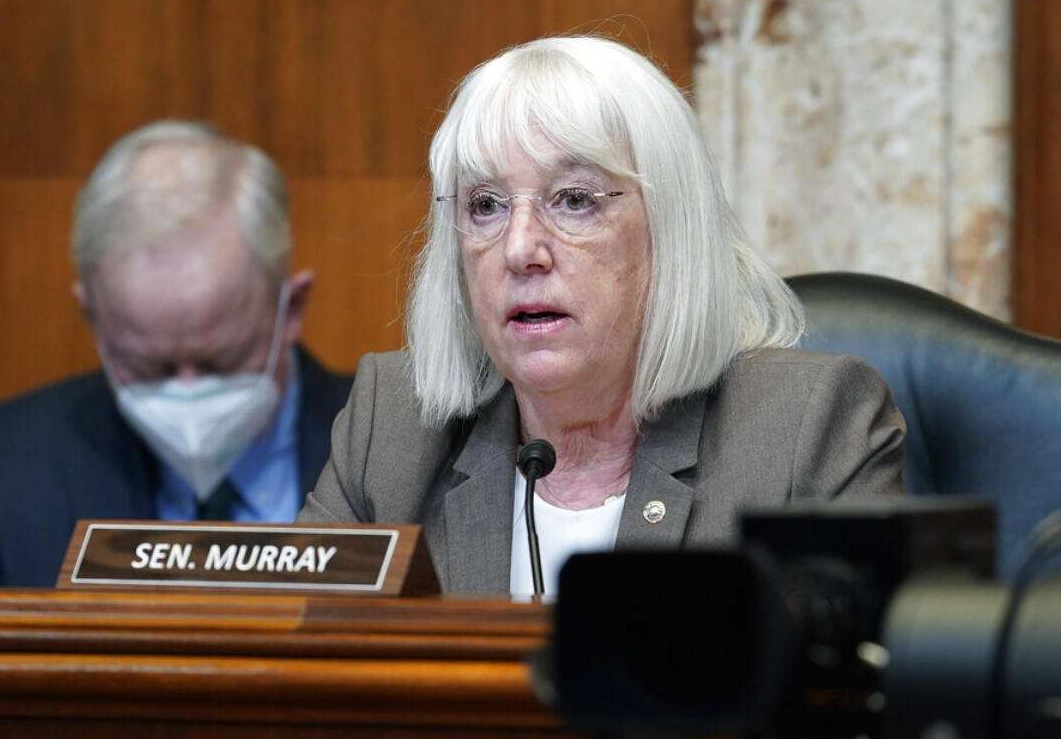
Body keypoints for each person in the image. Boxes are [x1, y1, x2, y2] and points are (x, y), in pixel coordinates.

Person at [298, 36, 905, 596]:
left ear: (670, 230)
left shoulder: (807, 429)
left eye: (575, 200)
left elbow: (846, 702)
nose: (519, 249)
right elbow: (294, 676)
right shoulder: (392, 427)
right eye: (486, 205)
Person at [0, 121, 353, 587]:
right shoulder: (0, 471)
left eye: (221, 362)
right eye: (149, 368)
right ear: (93, 318)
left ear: (290, 309)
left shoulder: (413, 453)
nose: (188, 396)